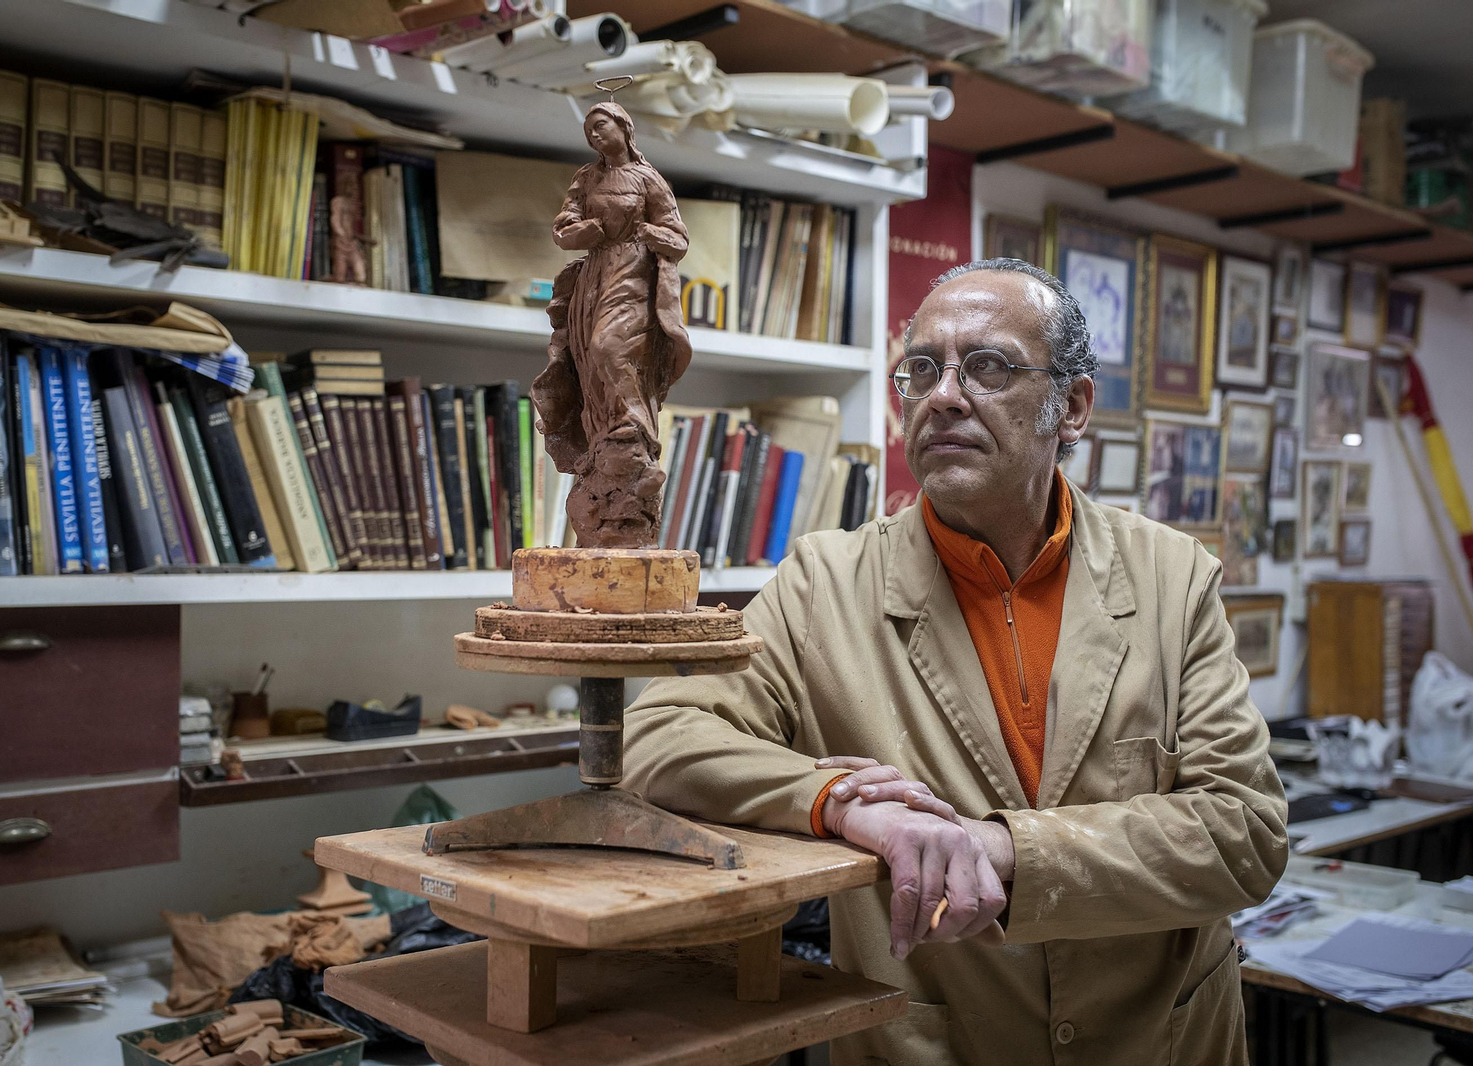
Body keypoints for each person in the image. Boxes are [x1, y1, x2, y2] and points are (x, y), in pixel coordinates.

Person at [623, 258, 1288, 1065]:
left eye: (988, 366)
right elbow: (656, 737)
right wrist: (839, 802)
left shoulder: (1172, 577)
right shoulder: (824, 582)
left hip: (1161, 1042)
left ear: (1073, 407)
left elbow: (1245, 832)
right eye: (921, 370)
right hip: (936, 1042)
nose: (942, 395)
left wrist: (1003, 849)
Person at [531, 101, 693, 549]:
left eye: (601, 126)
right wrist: (585, 232)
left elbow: (677, 237)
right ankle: (606, 446)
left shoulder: (648, 178)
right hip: (596, 276)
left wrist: (651, 235)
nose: (595, 136)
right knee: (589, 366)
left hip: (635, 274)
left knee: (609, 347)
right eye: (589, 131)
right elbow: (564, 227)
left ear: (624, 128)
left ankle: (634, 429)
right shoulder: (586, 178)